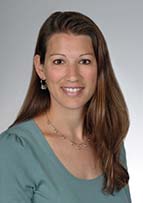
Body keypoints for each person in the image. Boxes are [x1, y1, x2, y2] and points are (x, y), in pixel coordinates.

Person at [0, 11, 131, 202]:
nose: (73, 75)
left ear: (99, 66)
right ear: (40, 67)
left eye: (84, 61)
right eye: (59, 61)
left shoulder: (111, 141)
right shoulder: (14, 149)